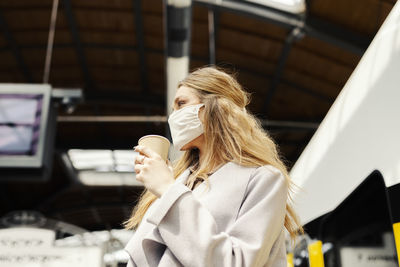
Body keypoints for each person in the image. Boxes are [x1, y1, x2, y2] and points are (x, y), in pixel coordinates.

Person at [124, 67, 303, 267]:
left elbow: (239, 262)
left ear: (216, 108)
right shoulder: (180, 180)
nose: (173, 117)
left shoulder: (264, 178)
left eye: (181, 104)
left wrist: (167, 191)